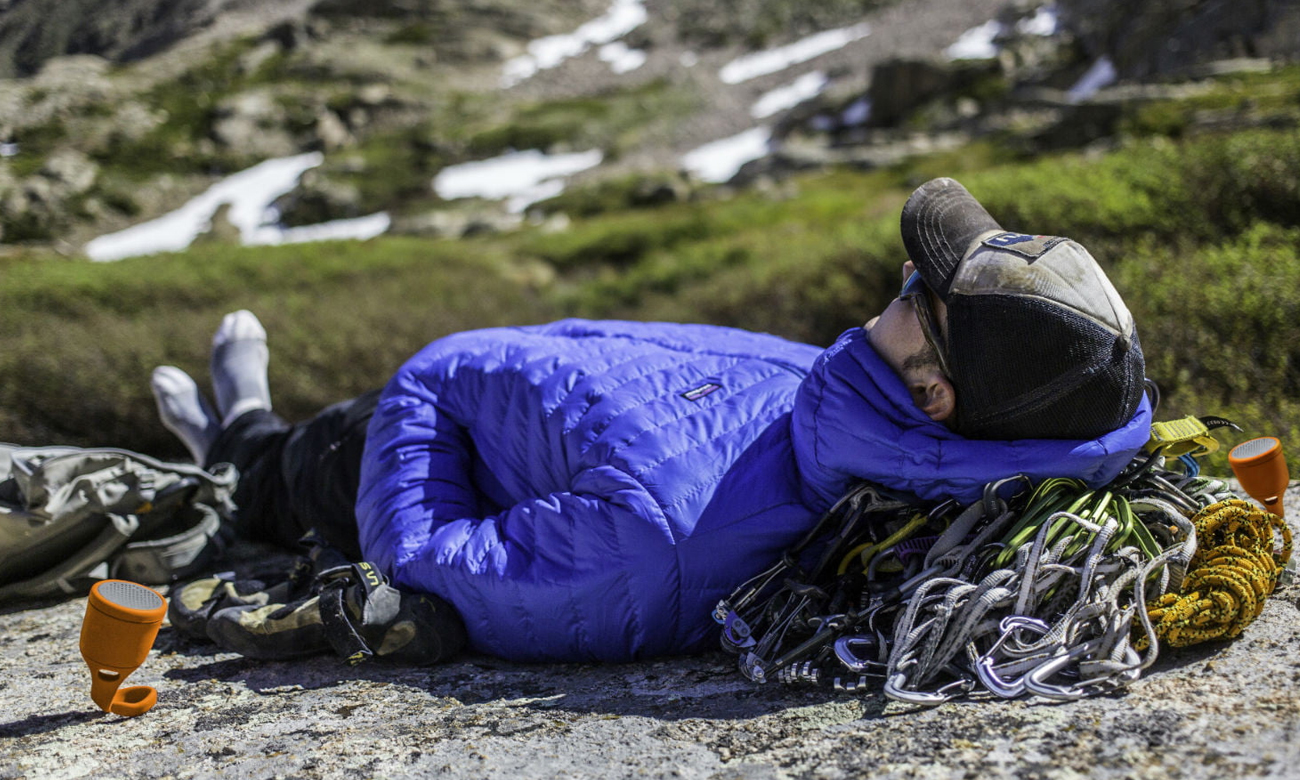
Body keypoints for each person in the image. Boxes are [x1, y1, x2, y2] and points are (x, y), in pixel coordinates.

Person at [152, 178, 1152, 664]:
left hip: (418, 433)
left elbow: (420, 552)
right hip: (520, 401)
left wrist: (431, 382)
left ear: (934, 390)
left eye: (911, 290)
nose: (889, 285)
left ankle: (234, 437)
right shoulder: (859, 412)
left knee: (283, 469)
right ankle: (237, 428)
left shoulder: (659, 545)